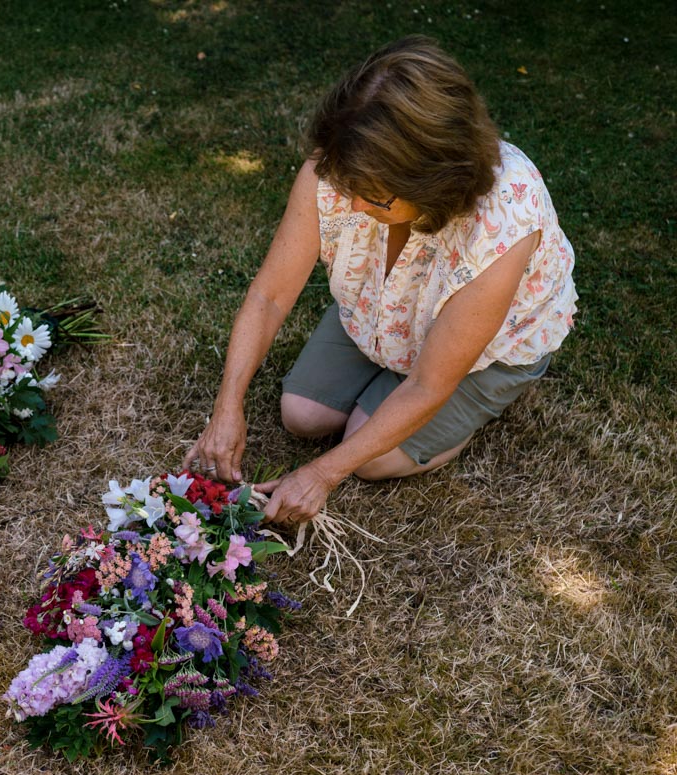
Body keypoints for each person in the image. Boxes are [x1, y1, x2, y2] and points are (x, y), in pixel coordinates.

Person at [182, 36, 577, 525]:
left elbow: (430, 384)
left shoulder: (506, 220)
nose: (350, 208)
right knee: (301, 416)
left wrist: (322, 474)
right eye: (347, 187)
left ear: (433, 182)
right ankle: (385, 362)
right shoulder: (343, 164)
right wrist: (227, 405)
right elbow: (269, 295)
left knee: (367, 457)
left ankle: (471, 413)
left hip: (485, 353)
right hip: (382, 309)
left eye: (373, 198)